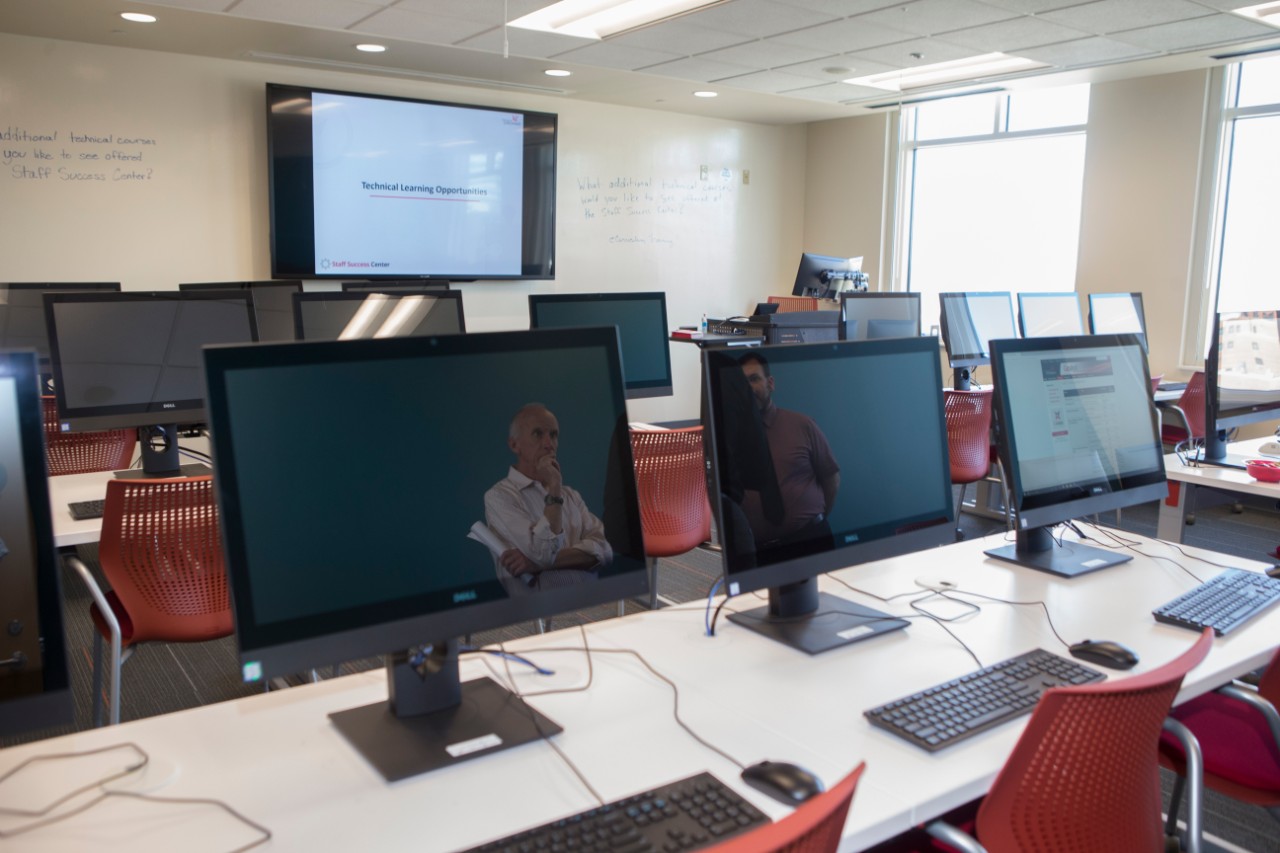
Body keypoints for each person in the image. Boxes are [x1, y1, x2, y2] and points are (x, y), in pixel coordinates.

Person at [484, 403, 612, 594]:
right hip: (542, 615)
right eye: (538, 434)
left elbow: (605, 551)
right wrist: (554, 488)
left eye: (553, 435)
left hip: (593, 602)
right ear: (514, 444)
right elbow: (543, 553)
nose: (548, 444)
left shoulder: (570, 494)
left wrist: (536, 565)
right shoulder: (499, 497)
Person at [738, 352, 840, 554]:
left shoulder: (802, 425)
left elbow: (831, 478)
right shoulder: (731, 438)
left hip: (809, 541)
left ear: (770, 383)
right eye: (742, 382)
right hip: (759, 551)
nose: (749, 387)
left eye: (754, 379)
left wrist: (815, 520)